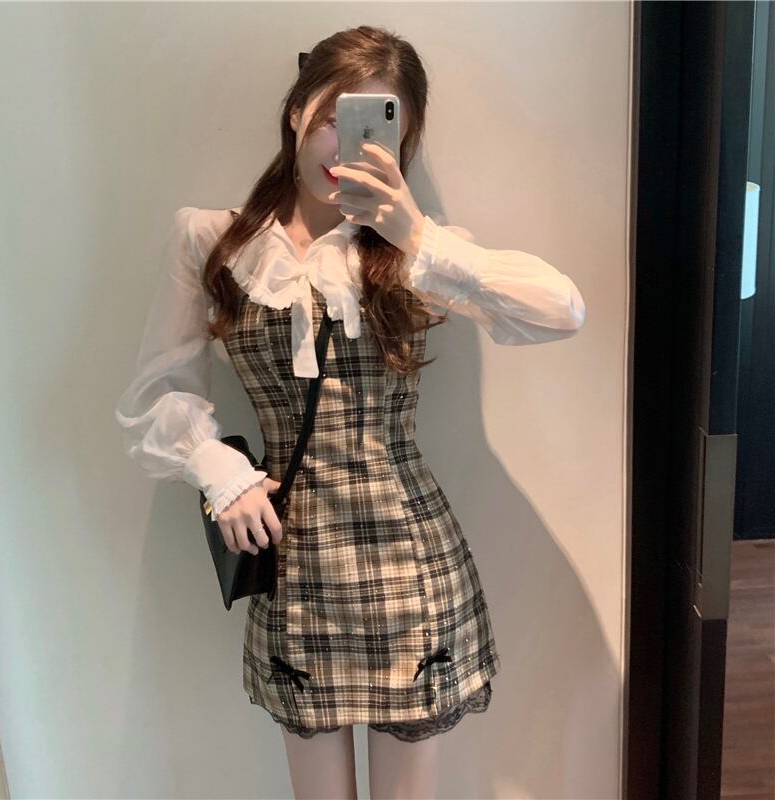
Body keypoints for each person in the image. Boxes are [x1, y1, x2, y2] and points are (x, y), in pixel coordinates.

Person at [115, 24, 586, 800]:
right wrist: (218, 469)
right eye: (334, 116)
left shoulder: (415, 253)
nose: (346, 145)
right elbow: (157, 392)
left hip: (410, 564)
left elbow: (561, 310)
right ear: (296, 110)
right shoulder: (215, 240)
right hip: (295, 567)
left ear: (401, 143)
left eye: (376, 125)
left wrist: (417, 233)